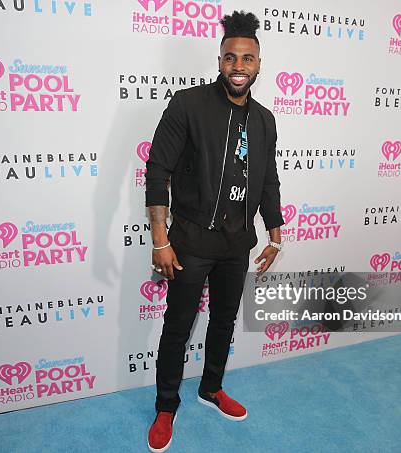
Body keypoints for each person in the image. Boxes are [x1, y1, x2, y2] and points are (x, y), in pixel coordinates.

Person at [144, 10, 284, 452]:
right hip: (189, 240)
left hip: (236, 242)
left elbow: (268, 180)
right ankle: (167, 405)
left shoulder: (264, 120)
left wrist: (274, 231)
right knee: (179, 324)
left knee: (223, 321)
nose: (238, 66)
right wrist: (160, 239)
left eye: (247, 58)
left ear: (259, 64)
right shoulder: (187, 104)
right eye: (230, 58)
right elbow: (157, 170)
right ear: (219, 60)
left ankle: (211, 387)